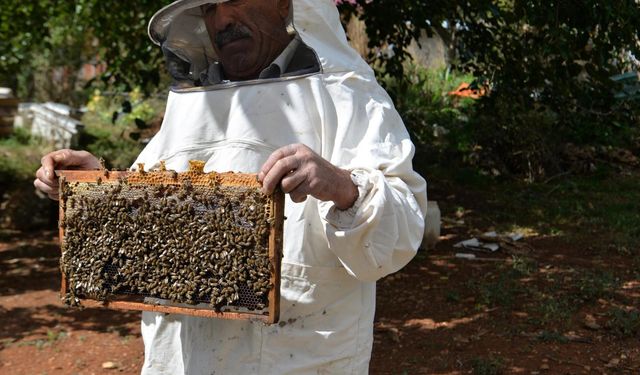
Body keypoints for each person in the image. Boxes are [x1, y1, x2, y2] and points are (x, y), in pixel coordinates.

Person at [34, 0, 428, 373]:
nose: (222, 19)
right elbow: (154, 205)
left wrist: (344, 187)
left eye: (234, 0)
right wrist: (96, 183)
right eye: (209, 8)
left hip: (299, 357)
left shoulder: (347, 95)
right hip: (183, 359)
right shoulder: (194, 102)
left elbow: (401, 233)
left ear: (283, 4)